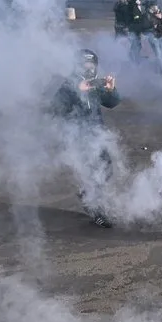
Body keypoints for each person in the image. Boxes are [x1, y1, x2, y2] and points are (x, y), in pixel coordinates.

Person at [50, 49, 121, 228]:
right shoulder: (67, 86)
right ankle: (96, 210)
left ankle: (86, 194)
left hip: (97, 135)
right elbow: (55, 109)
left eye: (92, 65)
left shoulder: (94, 85)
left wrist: (111, 90)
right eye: (85, 65)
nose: (89, 69)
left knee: (106, 169)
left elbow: (112, 103)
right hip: (77, 138)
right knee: (91, 174)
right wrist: (76, 91)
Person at [143, 1, 162, 74]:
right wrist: (152, 26)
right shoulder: (146, 15)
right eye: (155, 6)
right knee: (158, 54)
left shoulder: (157, 13)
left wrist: (160, 18)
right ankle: (161, 70)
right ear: (151, 7)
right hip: (153, 37)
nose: (157, 7)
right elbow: (144, 27)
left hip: (160, 37)